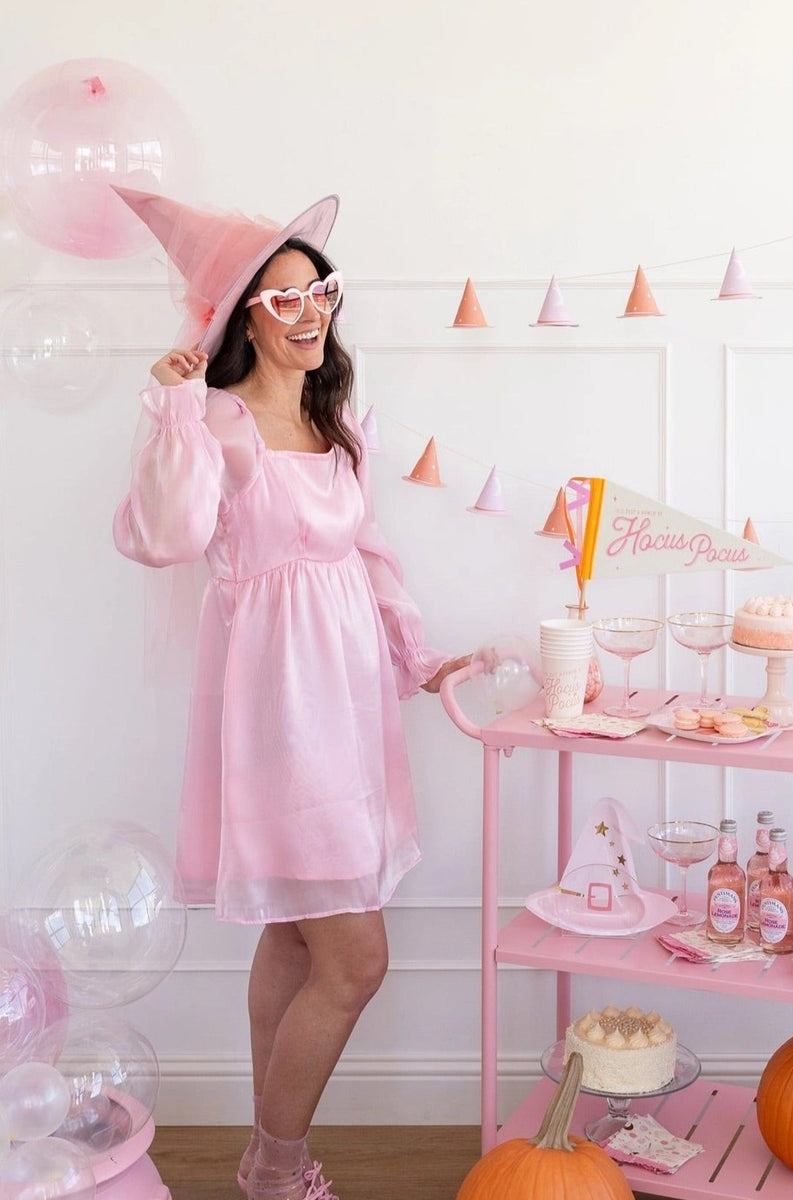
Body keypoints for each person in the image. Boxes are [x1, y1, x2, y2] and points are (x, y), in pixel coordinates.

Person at [112, 188, 468, 1200]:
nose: (311, 312)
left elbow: (371, 553)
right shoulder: (217, 425)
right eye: (284, 299)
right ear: (242, 320)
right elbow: (163, 538)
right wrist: (172, 408)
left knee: (294, 934)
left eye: (321, 292)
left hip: (347, 710)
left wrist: (421, 655)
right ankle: (276, 1169)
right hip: (281, 715)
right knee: (354, 959)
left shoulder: (332, 418)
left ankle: (267, 1161)